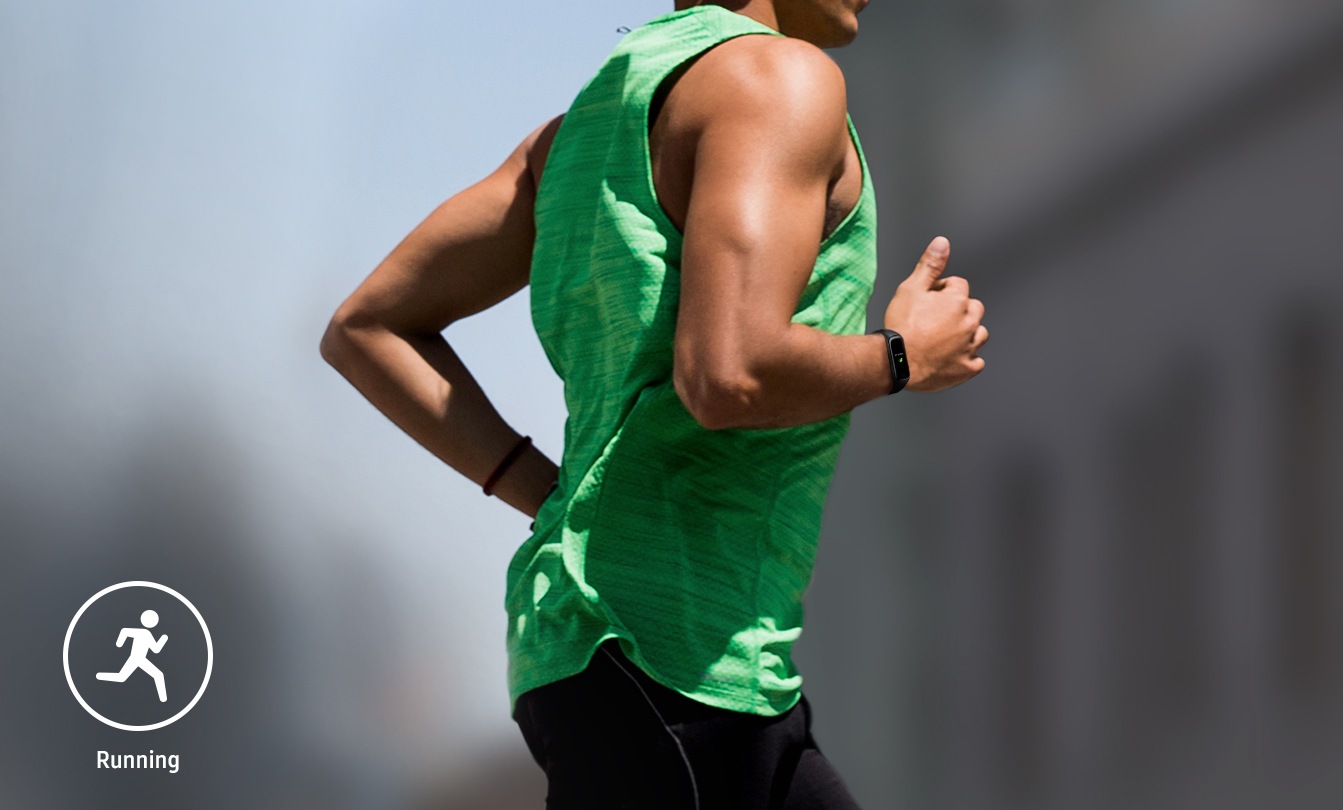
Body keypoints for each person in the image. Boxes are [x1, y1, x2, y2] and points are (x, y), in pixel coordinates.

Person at [320, 0, 988, 806]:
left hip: (673, 672)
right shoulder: (776, 80)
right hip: (665, 667)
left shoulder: (573, 138)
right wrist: (902, 357)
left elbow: (366, 328)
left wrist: (550, 496)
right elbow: (726, 372)